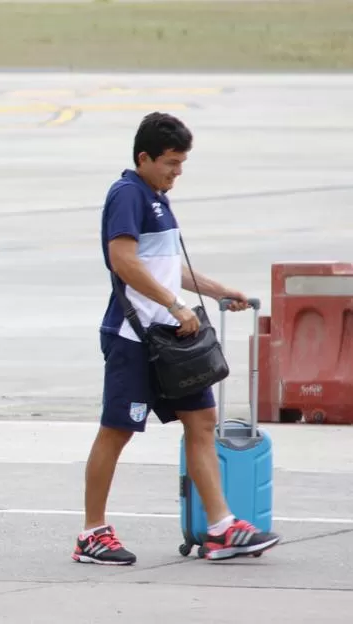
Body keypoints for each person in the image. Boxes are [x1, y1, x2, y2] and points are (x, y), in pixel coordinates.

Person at [72, 112, 281, 565]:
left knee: (202, 421)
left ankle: (223, 528)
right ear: (144, 158)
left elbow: (166, 268)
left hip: (173, 336)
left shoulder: (157, 197)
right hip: (136, 336)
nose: (177, 172)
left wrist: (217, 290)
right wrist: (175, 305)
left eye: (182, 163)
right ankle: (91, 533)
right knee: (117, 430)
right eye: (170, 162)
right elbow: (124, 261)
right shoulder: (128, 194)